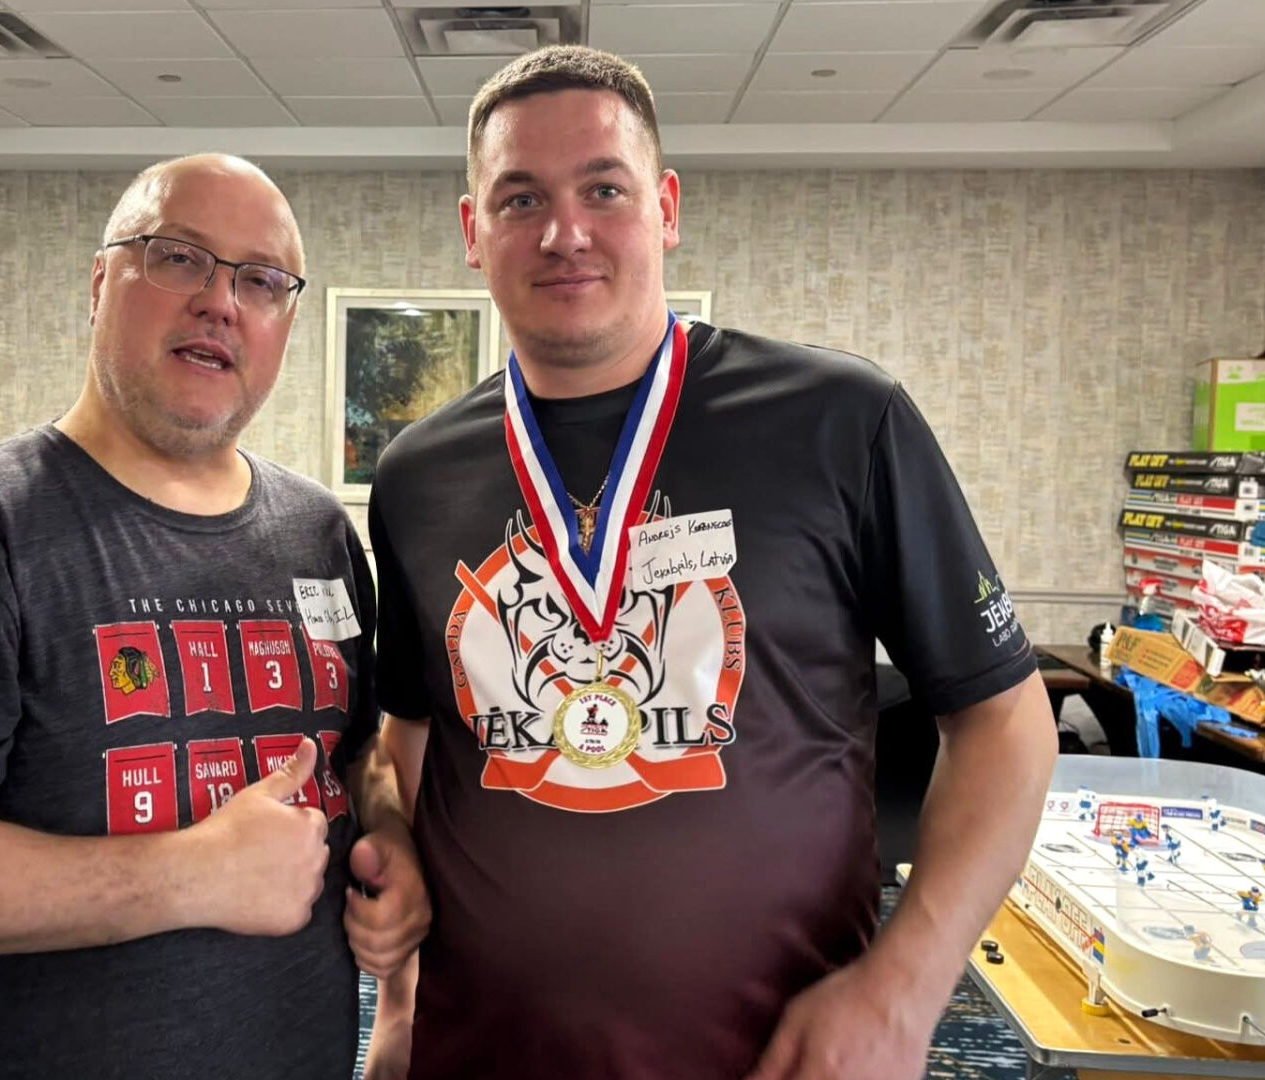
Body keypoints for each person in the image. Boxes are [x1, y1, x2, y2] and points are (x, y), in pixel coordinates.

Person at [365, 46, 1058, 1079]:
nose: (564, 232)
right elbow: (416, 744)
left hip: (773, 1055)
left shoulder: (841, 422)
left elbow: (1005, 723)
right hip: (483, 1050)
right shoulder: (418, 475)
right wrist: (399, 1008)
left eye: (604, 188)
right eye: (521, 198)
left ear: (667, 208)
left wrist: (905, 990)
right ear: (474, 231)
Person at [0, 154, 426, 1080]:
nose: (220, 302)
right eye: (179, 258)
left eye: (260, 280)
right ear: (99, 284)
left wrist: (388, 831)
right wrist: (189, 876)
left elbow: (354, 748)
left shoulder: (318, 531)